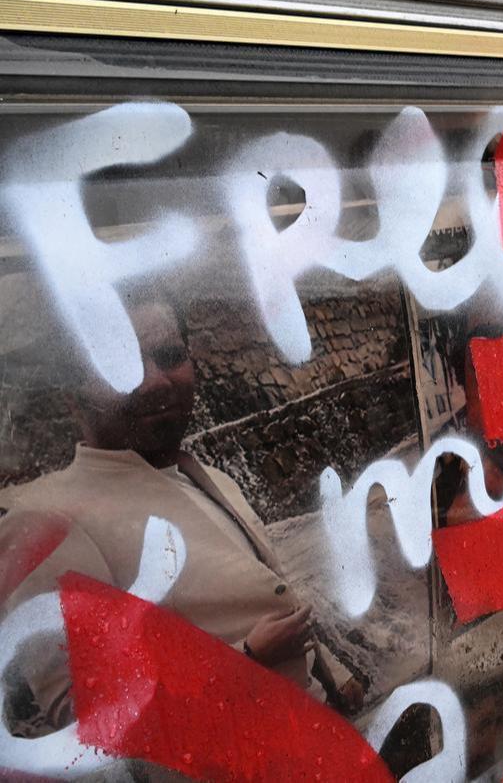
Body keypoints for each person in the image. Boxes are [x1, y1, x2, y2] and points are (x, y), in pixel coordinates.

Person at [0, 290, 362, 735]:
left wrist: (335, 677)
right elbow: (87, 718)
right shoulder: (43, 523)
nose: (155, 381)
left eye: (170, 356)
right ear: (72, 399)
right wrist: (246, 660)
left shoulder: (209, 478)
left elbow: (270, 594)